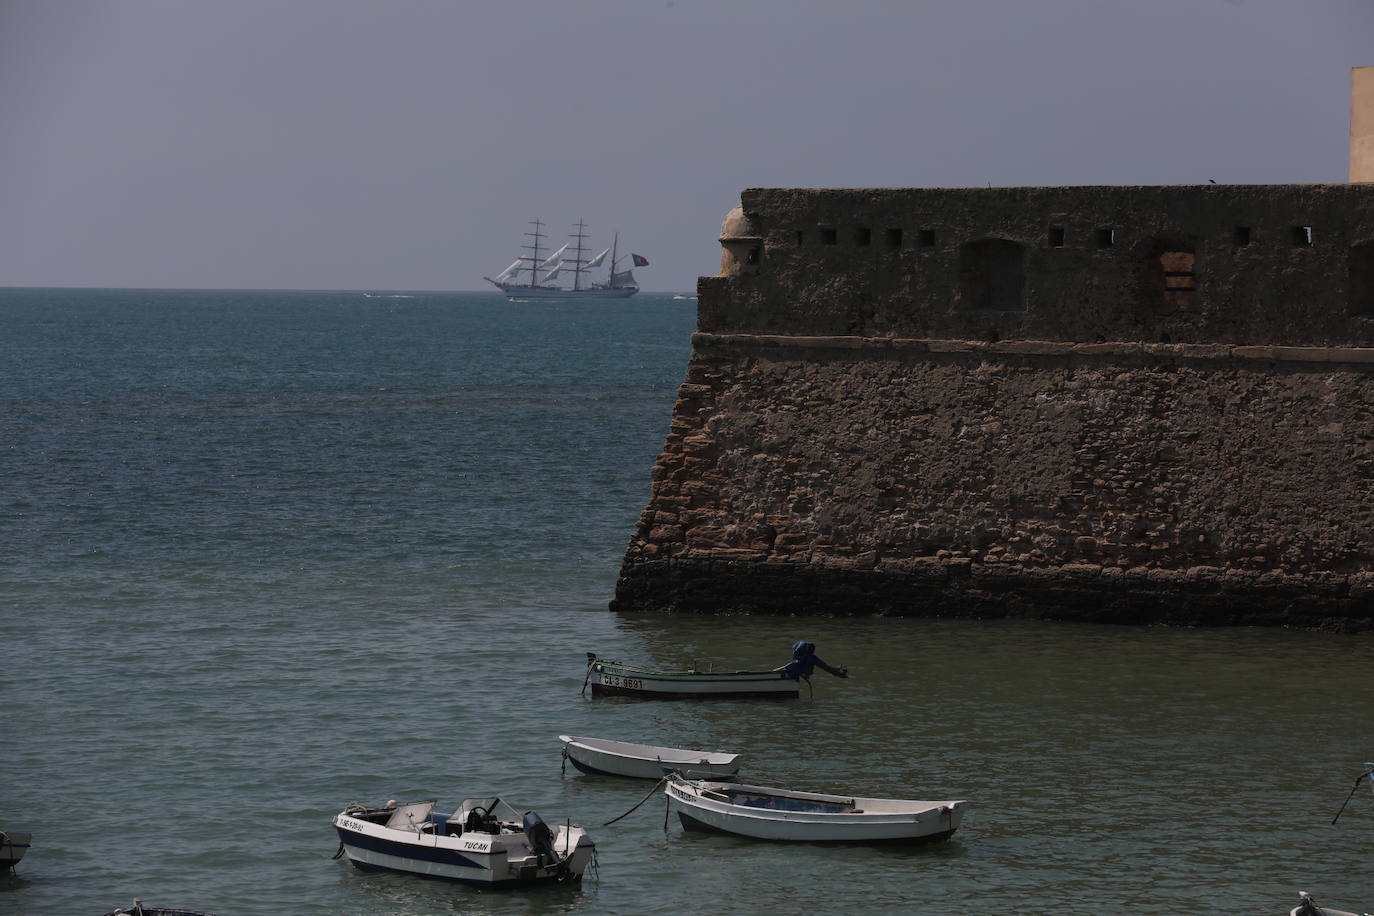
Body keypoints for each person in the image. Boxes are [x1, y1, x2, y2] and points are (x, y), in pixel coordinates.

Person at [781, 640, 848, 681]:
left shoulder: (802, 659)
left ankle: (835, 671)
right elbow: (823, 666)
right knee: (812, 660)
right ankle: (836, 672)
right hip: (793, 672)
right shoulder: (808, 657)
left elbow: (823, 666)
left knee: (812, 661)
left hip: (792, 671)